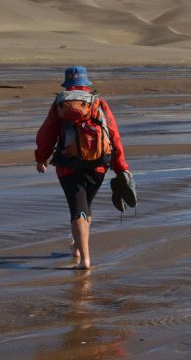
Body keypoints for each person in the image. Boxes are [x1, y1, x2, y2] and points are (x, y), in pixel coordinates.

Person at [35, 66, 130, 270]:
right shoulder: (98, 102)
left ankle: (85, 259)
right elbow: (113, 135)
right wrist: (121, 167)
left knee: (78, 209)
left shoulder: (60, 104)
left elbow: (47, 134)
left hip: (68, 166)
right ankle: (77, 248)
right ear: (87, 83)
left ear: (67, 84)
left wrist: (41, 158)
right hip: (98, 165)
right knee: (85, 206)